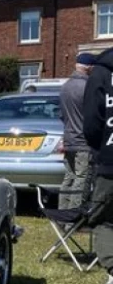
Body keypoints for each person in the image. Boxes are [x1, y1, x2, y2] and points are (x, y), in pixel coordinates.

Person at [83, 47, 113, 284]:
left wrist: (102, 145)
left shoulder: (101, 72)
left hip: (110, 160)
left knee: (102, 220)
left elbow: (92, 123)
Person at [58, 53, 96, 210]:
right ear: (88, 67)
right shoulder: (88, 87)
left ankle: (62, 213)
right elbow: (94, 115)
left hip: (69, 140)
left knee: (69, 177)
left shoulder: (65, 86)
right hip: (83, 142)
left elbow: (61, 115)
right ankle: (74, 216)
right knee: (82, 178)